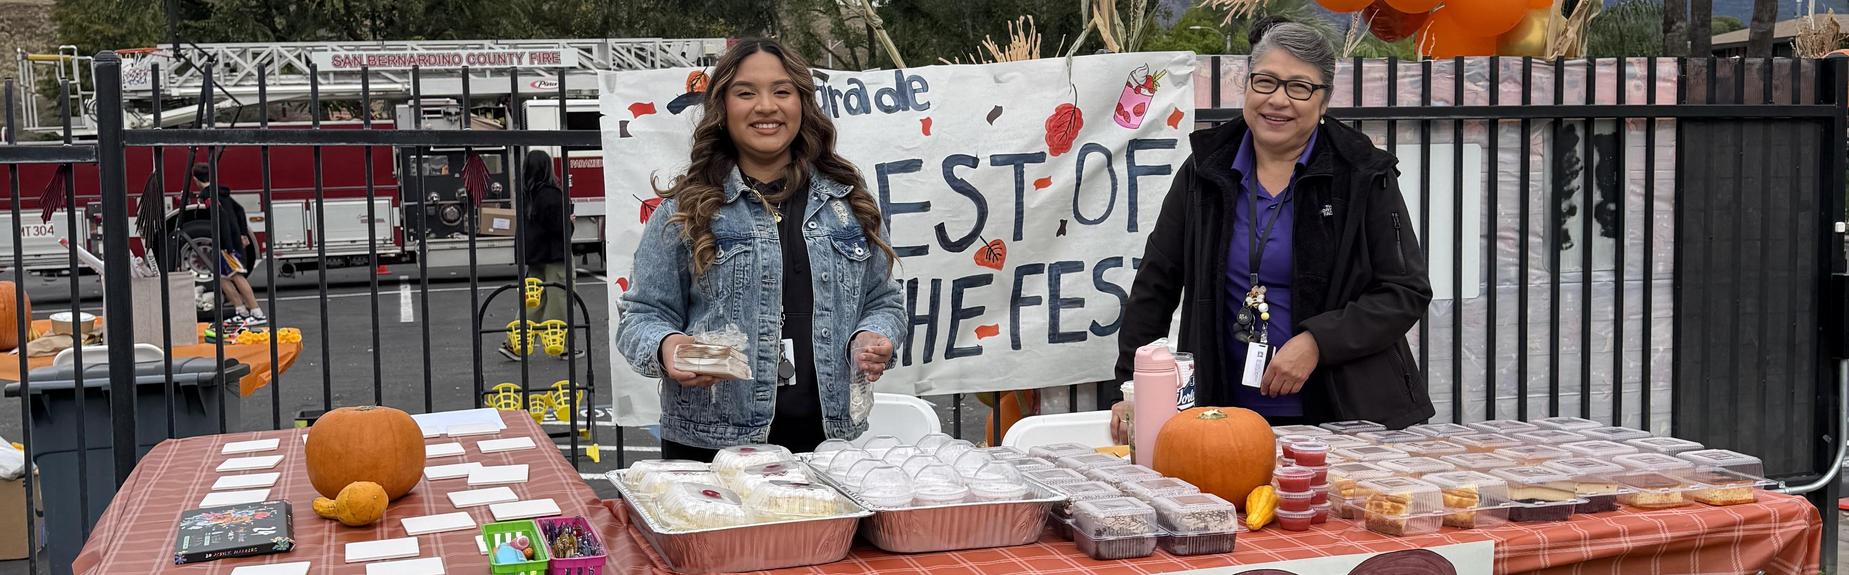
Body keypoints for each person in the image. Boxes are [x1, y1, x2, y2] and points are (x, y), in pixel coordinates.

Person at [1108, 21, 1434, 435]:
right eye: (1265, 81)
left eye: (1299, 87)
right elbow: (1156, 284)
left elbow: (1405, 291)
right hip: (1224, 413)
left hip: (1345, 414)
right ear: (1247, 85)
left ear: (1324, 101)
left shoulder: (1362, 173)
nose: (1278, 100)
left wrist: (1317, 342)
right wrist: (1131, 387)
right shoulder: (1205, 170)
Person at [615, 39, 906, 461]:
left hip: (825, 448)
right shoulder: (685, 210)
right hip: (710, 448)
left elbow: (884, 302)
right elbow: (640, 316)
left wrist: (874, 335)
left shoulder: (848, 204)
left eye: (782, 91)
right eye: (746, 92)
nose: (766, 106)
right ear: (723, 107)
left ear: (802, 104)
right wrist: (667, 345)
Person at [500, 150, 580, 360]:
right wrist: (569, 221)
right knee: (559, 298)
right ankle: (562, 345)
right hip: (555, 256)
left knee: (532, 301)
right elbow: (561, 229)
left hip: (534, 256)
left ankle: (515, 343)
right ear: (547, 168)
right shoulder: (551, 194)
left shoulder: (526, 194)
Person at [192, 164, 266, 327]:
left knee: (236, 276)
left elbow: (221, 217)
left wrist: (226, 245)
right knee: (222, 278)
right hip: (231, 241)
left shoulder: (209, 195)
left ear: (195, 180)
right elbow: (239, 210)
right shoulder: (221, 193)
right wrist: (242, 233)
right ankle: (241, 312)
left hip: (227, 244)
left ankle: (256, 312)